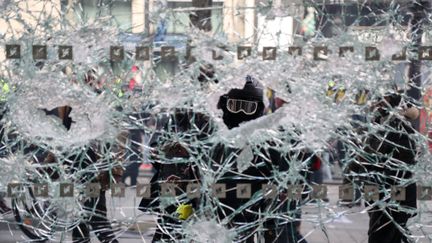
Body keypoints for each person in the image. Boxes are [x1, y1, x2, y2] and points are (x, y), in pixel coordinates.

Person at [212, 75, 311, 242]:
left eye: (248, 107)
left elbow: (293, 187)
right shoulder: (218, 141)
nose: (240, 113)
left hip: (255, 221)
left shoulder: (270, 141)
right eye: (235, 106)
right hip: (223, 220)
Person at [355, 91, 419, 243]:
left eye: (383, 101)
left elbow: (402, 167)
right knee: (383, 230)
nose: (377, 104)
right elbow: (363, 156)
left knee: (383, 233)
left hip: (391, 189)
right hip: (374, 186)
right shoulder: (376, 125)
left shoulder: (400, 129)